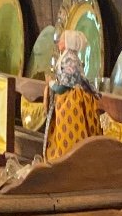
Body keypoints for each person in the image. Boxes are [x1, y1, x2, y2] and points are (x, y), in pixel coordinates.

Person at [43, 30, 103, 163]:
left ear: (68, 42)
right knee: (62, 132)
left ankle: (69, 162)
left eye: (62, 39)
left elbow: (63, 87)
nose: (59, 42)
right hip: (65, 100)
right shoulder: (66, 56)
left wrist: (51, 83)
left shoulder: (70, 59)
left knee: (70, 132)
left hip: (71, 101)